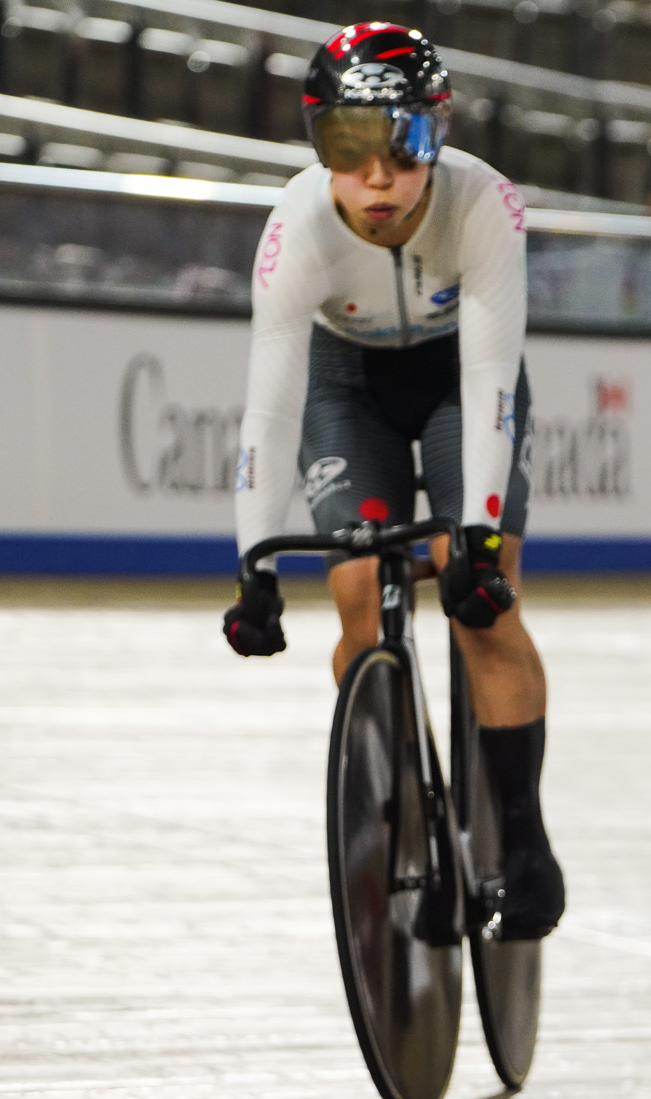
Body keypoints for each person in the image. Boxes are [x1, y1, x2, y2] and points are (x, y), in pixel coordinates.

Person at [221, 23, 563, 940]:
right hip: (350, 386)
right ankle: (402, 809)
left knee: (482, 603)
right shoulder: (294, 226)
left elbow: (492, 385)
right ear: (317, 146)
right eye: (347, 148)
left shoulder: (483, 203)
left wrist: (481, 536)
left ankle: (522, 838)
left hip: (459, 379)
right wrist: (253, 563)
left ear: (438, 135)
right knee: (359, 596)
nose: (376, 179)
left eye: (402, 146)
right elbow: (268, 409)